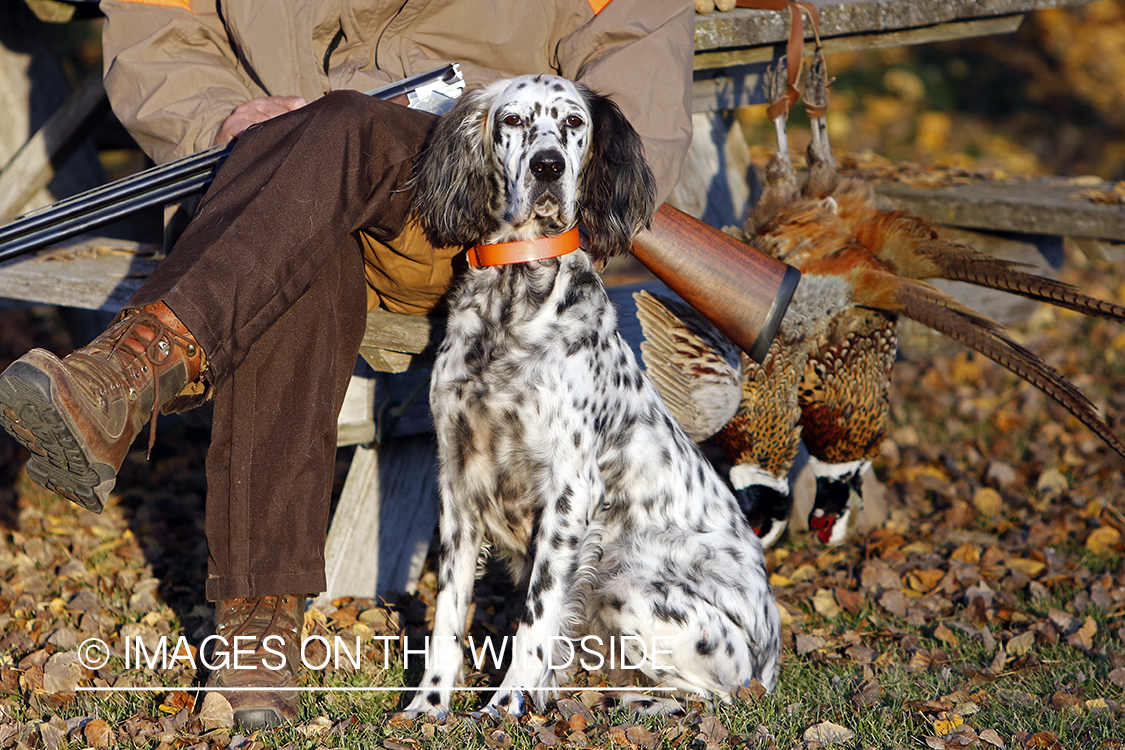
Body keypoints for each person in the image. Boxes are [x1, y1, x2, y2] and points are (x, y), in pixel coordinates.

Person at [0, 0, 696, 730]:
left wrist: (536, 173)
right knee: (298, 220)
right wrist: (222, 121)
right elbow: (159, 27)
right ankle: (259, 631)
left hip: (473, 205)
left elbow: (635, 45)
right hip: (272, 185)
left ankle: (126, 376)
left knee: (341, 130)